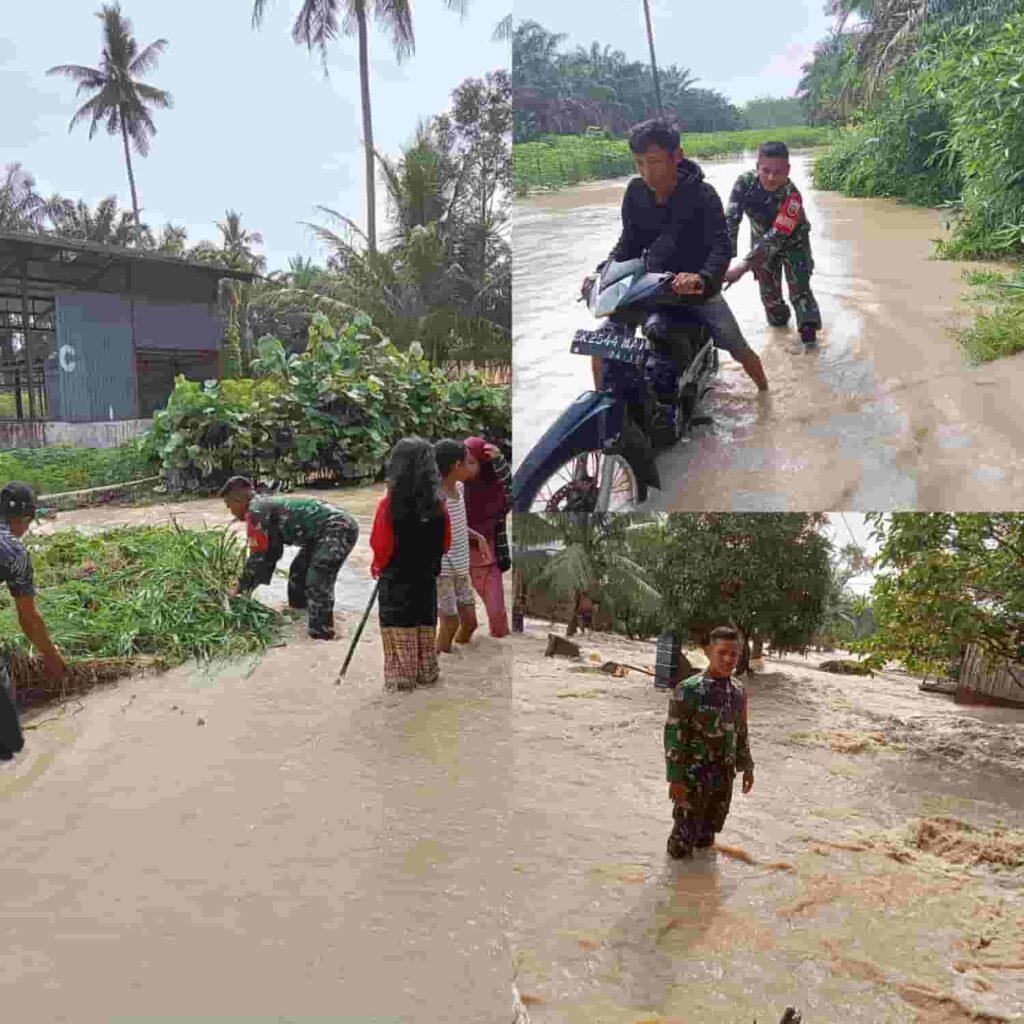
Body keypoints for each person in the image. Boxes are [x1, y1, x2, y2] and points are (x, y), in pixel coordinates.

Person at [582, 119, 768, 392]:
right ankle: (604, 403)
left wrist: (702, 278)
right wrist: (601, 274)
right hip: (646, 283)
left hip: (694, 286)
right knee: (601, 344)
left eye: (654, 162)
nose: (647, 172)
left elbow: (721, 246)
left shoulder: (703, 195)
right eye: (639, 163)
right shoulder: (635, 193)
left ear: (676, 156)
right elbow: (629, 243)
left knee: (738, 347)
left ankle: (766, 394)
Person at [221, 477, 359, 641]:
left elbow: (258, 557)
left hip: (337, 528)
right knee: (298, 572)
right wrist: (248, 586)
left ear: (238, 499)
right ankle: (299, 612)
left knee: (317, 578)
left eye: (230, 507)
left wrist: (240, 588)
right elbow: (270, 553)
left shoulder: (255, 511)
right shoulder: (262, 504)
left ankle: (321, 634)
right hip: (323, 532)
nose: (232, 513)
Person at [664, 626, 755, 859]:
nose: (728, 659)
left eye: (733, 654)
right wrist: (675, 779)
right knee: (681, 844)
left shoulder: (738, 692)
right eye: (722, 652)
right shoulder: (688, 690)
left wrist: (747, 767)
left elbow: (741, 731)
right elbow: (674, 735)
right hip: (693, 778)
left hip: (723, 777)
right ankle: (672, 888)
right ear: (708, 651)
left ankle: (701, 890)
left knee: (707, 838)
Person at [370, 438, 451, 691]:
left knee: (399, 636)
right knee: (425, 628)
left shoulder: (388, 505)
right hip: (426, 582)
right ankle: (426, 674)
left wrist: (378, 566)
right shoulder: (439, 505)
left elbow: (380, 546)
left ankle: (402, 682)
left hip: (396, 583)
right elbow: (445, 544)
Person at [723, 141, 823, 345]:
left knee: (801, 294)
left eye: (777, 172)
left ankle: (810, 348)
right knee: (771, 302)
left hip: (794, 243)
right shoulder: (744, 184)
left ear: (787, 170)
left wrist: (742, 267)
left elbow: (778, 235)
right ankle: (781, 341)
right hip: (760, 243)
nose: (770, 177)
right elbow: (730, 222)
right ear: (757, 166)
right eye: (765, 170)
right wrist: (723, 263)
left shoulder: (793, 197)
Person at [0, 482, 67, 761]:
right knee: (10, 744)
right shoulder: (14, 552)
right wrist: (50, 656)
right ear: (25, 517)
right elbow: (28, 618)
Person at [434, 439, 488, 654]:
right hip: (443, 570)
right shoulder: (436, 497)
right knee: (449, 623)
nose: (472, 467)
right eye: (469, 462)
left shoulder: (460, 488)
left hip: (462, 567)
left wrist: (478, 537)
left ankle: (458, 666)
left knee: (470, 623)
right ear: (457, 466)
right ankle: (439, 663)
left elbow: (457, 525)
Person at [463, 436, 512, 639]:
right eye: (462, 462)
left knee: (498, 623)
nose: (465, 467)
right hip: (455, 562)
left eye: (472, 462)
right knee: (459, 623)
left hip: (487, 560)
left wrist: (500, 463)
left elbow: (512, 492)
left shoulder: (496, 493)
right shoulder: (454, 487)